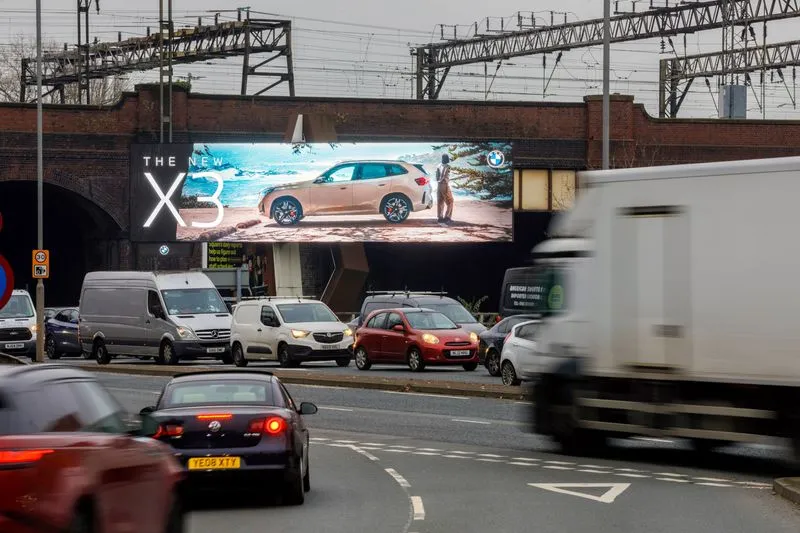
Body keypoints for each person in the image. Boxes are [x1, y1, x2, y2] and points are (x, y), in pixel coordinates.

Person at [436, 154, 454, 222]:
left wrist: (439, 180)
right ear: (447, 159)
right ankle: (447, 217)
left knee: (440, 201)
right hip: (444, 185)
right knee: (450, 201)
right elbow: (445, 175)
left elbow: (437, 177)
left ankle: (440, 218)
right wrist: (446, 180)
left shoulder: (438, 165)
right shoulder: (447, 166)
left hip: (439, 185)